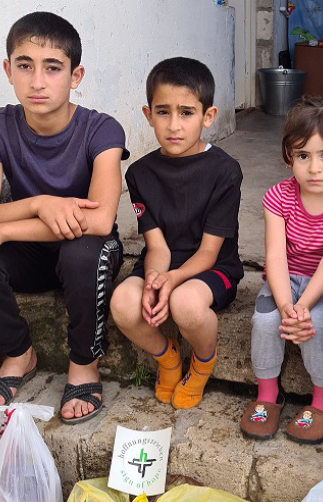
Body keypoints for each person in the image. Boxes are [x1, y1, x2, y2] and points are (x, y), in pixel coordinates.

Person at [0, 12, 129, 424]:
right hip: (31, 252)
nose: (38, 82)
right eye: (25, 66)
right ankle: (18, 354)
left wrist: (3, 231)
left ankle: (84, 364)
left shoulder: (101, 130)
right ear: (8, 70)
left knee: (83, 253)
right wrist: (38, 203)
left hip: (88, 254)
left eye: (53, 68)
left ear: (76, 76)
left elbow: (99, 221)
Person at [110, 57, 243, 410]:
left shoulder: (225, 172)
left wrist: (173, 281)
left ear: (208, 116)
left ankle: (202, 363)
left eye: (186, 113)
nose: (174, 125)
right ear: (148, 114)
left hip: (212, 268)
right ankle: (167, 358)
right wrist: (155, 280)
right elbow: (157, 246)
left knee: (185, 303)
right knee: (122, 303)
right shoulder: (139, 174)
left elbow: (209, 252)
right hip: (164, 264)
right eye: (163, 112)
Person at [239, 97, 323, 443]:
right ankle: (267, 394)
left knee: (315, 325)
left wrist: (303, 307)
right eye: (303, 155)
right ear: (288, 157)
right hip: (284, 279)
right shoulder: (278, 197)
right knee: (265, 321)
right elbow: (275, 257)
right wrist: (285, 304)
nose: (314, 168)